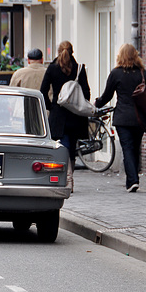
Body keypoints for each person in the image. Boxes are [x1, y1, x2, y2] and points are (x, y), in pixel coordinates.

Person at [95, 43, 146, 193]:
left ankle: (133, 180)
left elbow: (107, 95)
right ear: (135, 55)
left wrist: (97, 103)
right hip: (139, 118)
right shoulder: (142, 73)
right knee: (135, 148)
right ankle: (132, 179)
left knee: (127, 148)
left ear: (120, 56)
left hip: (123, 118)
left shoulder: (116, 73)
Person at [40, 41, 90, 192]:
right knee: (72, 146)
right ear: (72, 51)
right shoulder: (79, 68)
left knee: (63, 145)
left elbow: (43, 91)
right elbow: (86, 92)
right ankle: (70, 177)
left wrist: (52, 107)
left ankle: (68, 179)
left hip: (59, 114)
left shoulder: (52, 68)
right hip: (75, 115)